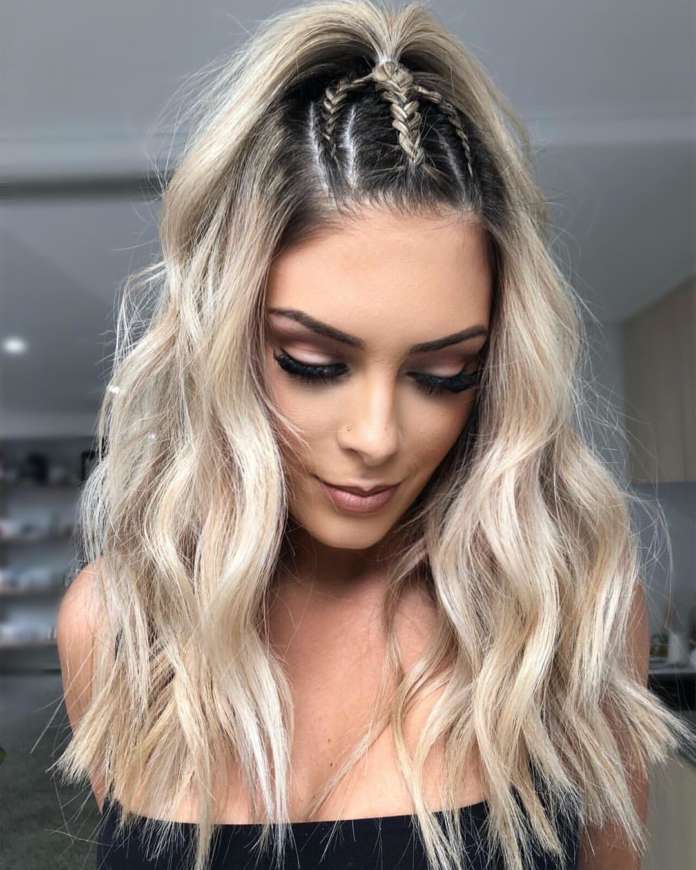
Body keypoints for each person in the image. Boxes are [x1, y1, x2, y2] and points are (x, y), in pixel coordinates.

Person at [52, 1, 693, 868]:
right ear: (221, 341)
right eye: (313, 363)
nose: (377, 436)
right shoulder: (121, 627)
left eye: (444, 374)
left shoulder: (567, 615)